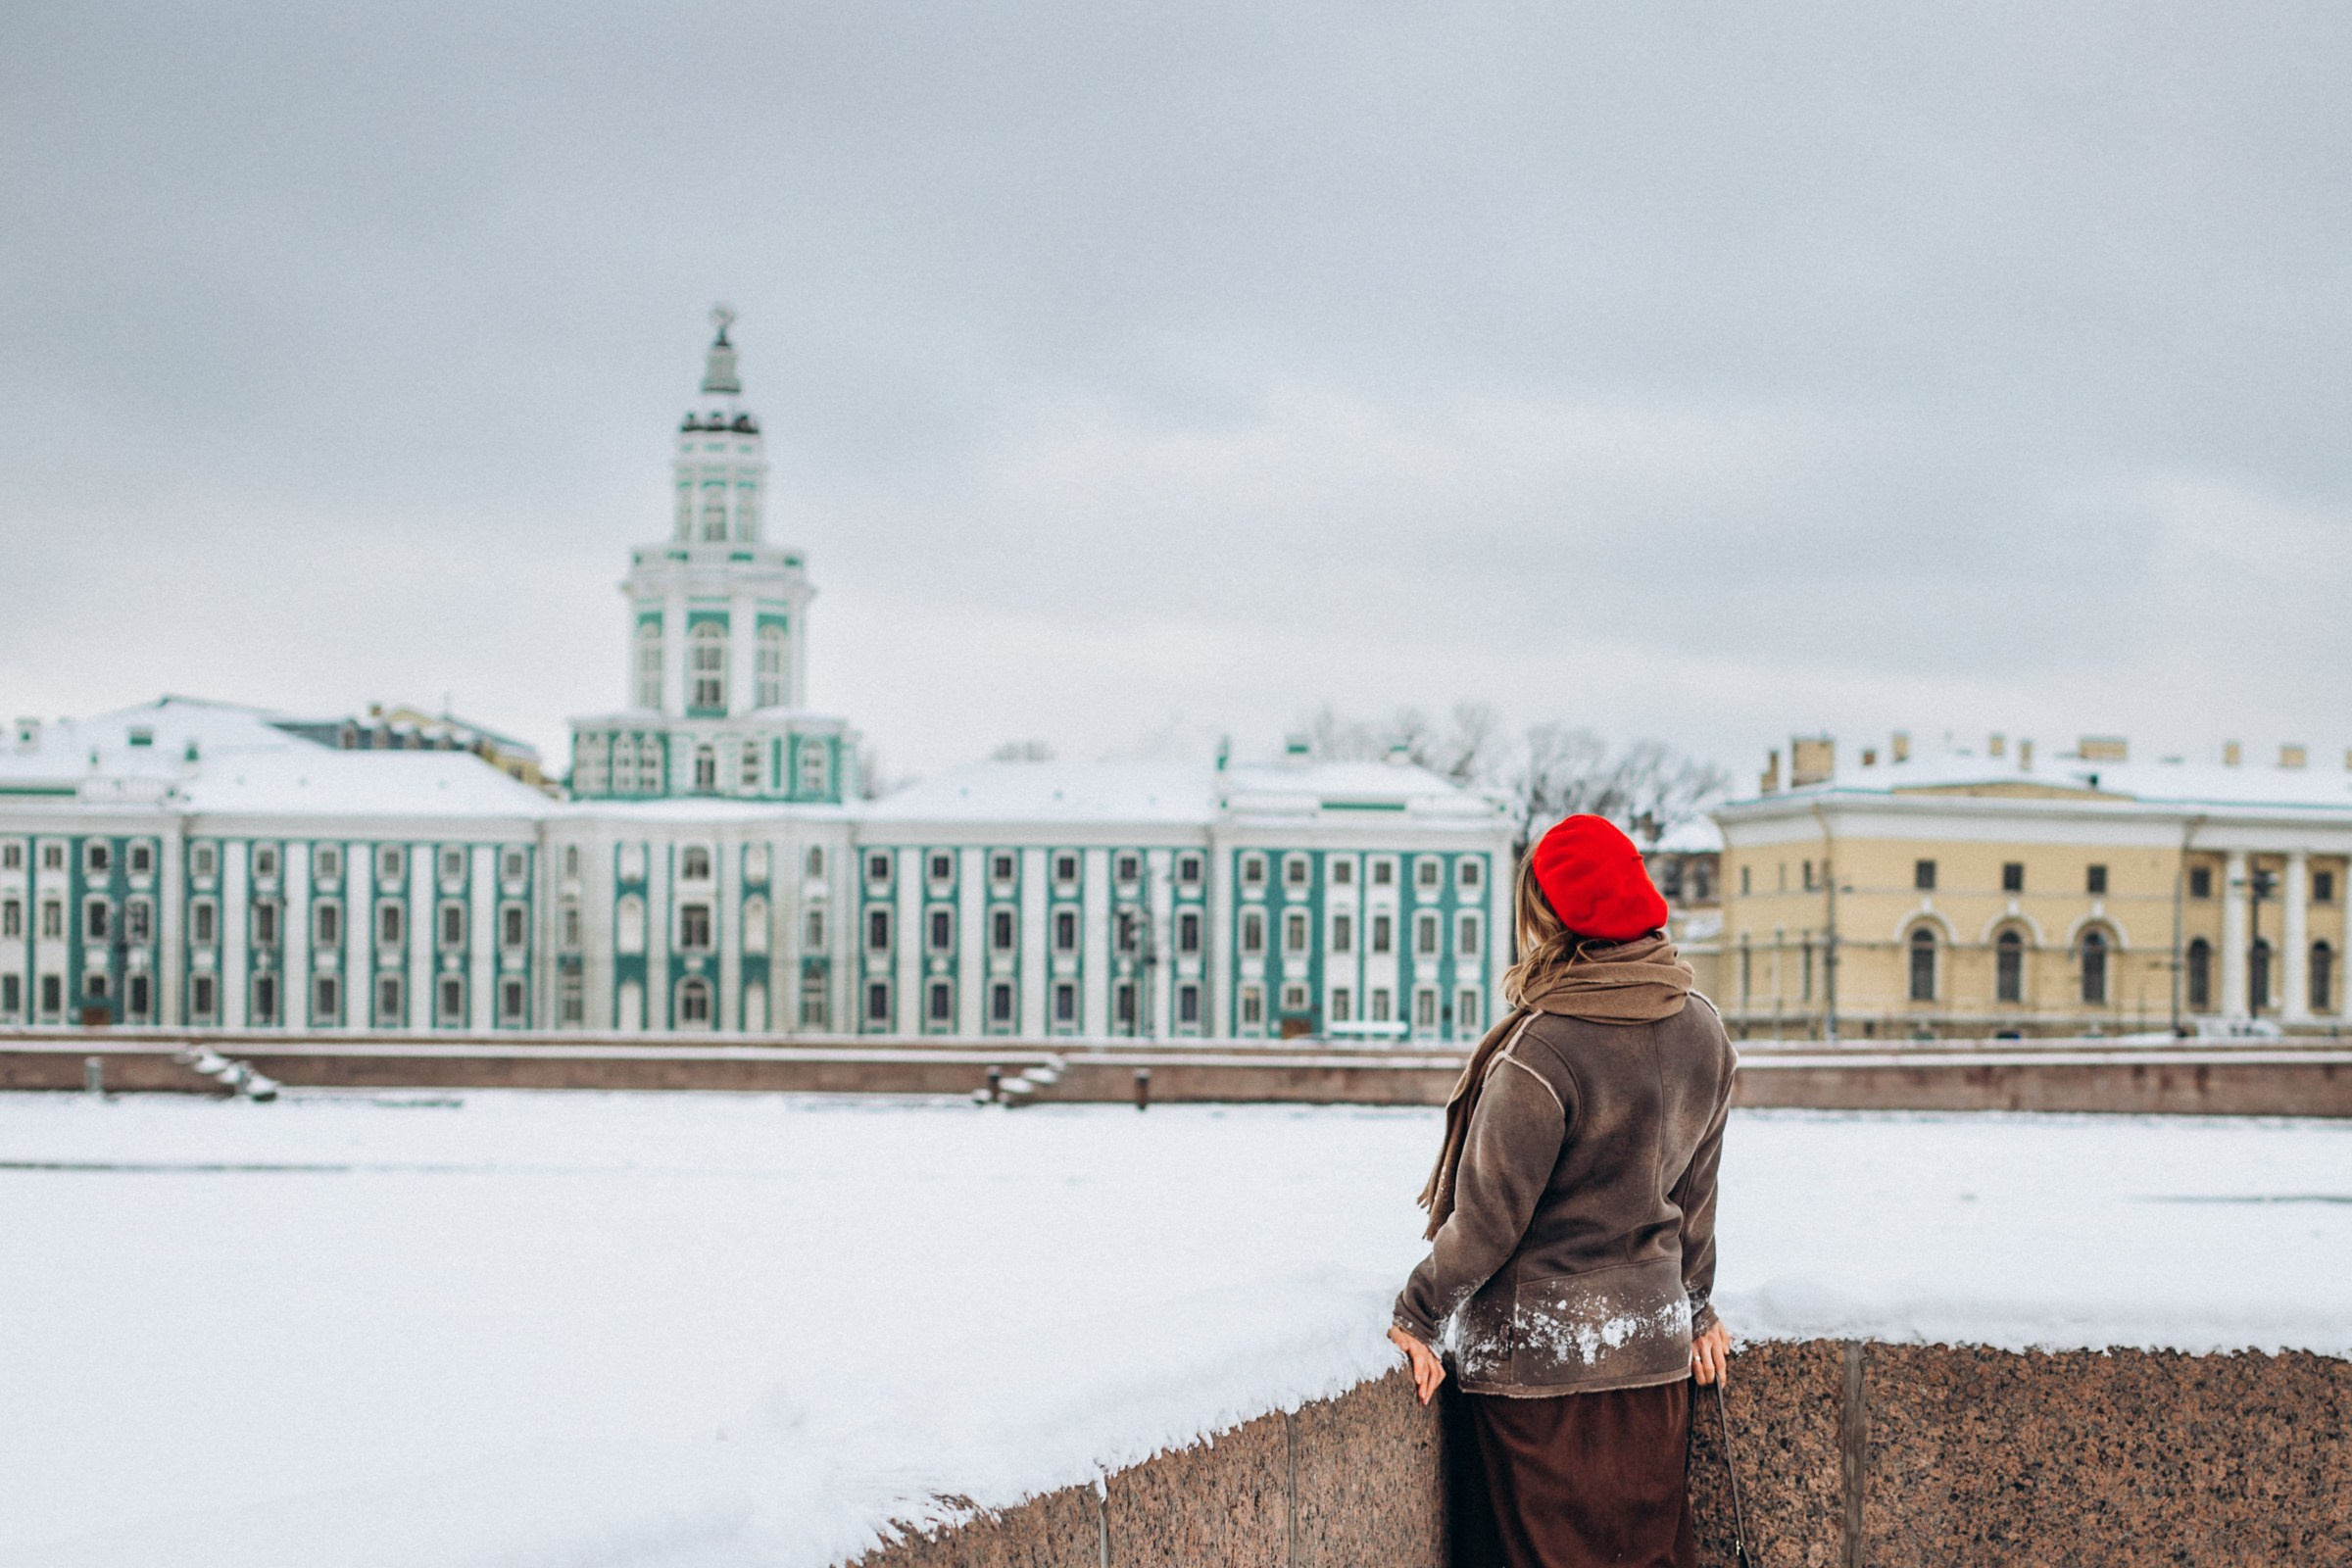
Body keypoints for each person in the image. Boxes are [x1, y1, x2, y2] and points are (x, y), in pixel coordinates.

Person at [1388, 813, 1736, 1568]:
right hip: (1651, 1356)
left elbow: (1487, 1222)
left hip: (1534, 1369)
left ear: (1545, 916)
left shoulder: (1543, 1048)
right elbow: (1695, 1199)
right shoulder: (1703, 1028)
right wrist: (1697, 1305)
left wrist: (1418, 1314)